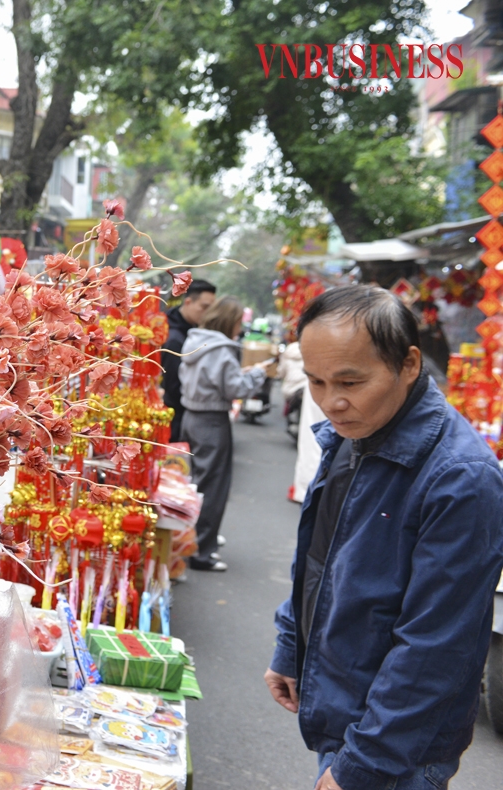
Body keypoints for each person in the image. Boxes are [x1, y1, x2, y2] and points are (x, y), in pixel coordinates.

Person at [264, 286, 503, 790]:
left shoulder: (461, 478)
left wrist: (363, 766)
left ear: (409, 364)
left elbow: (436, 647)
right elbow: (319, 553)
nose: (332, 401)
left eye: (351, 381)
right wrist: (292, 645)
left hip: (396, 750)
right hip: (346, 711)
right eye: (316, 382)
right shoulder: (359, 431)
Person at [178, 296, 273, 571]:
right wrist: (256, 375)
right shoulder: (223, 350)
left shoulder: (195, 341)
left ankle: (189, 541)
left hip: (190, 416)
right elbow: (235, 389)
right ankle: (201, 552)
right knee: (212, 488)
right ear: (229, 322)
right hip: (211, 421)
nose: (239, 329)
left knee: (193, 484)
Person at [163, 279, 217, 443]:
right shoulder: (174, 338)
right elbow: (174, 387)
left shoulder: (191, 331)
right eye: (204, 307)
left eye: (212, 309)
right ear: (188, 302)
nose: (208, 313)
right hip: (173, 417)